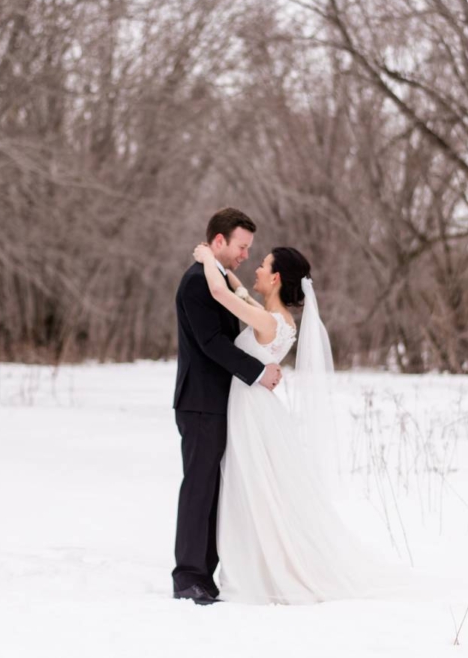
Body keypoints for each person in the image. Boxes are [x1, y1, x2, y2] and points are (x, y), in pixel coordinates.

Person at [189, 240, 404, 605]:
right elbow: (240, 293)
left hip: (252, 412)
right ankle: (258, 561)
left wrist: (207, 258)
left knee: (252, 486)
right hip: (256, 406)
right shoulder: (279, 320)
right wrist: (229, 275)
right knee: (259, 487)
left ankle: (259, 569)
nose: (254, 269)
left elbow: (218, 293)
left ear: (274, 278)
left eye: (261, 265)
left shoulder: (268, 321)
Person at [171, 208, 282, 605]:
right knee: (200, 487)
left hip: (220, 402)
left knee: (216, 488)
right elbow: (211, 344)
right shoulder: (197, 283)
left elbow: (236, 296)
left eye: (249, 248)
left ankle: (206, 572)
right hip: (200, 402)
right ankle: (188, 575)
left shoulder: (215, 278)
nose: (244, 255)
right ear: (219, 241)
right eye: (240, 246)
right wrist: (257, 373)